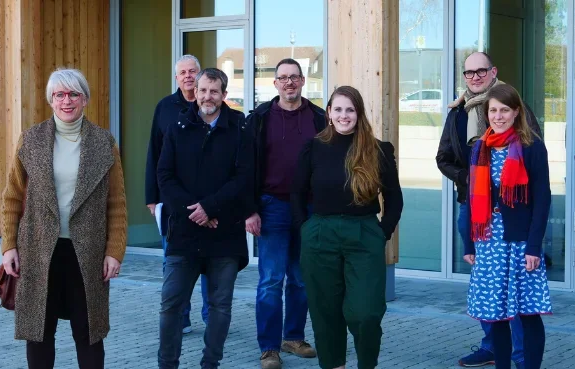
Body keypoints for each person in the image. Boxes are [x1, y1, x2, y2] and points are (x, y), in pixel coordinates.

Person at [0, 68, 128, 368]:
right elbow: (11, 197)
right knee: (39, 332)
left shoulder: (103, 143)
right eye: (59, 95)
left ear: (85, 100)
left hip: (88, 253)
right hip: (38, 250)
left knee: (89, 333)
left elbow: (117, 203)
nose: (66, 101)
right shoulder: (30, 140)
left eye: (74, 94)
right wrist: (8, 246)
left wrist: (115, 251)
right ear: (51, 100)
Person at [438, 51, 538, 368]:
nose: (475, 77)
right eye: (469, 73)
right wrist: (468, 177)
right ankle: (493, 345)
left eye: (481, 71)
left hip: (513, 215)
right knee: (488, 288)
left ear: (493, 71)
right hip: (474, 209)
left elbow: (532, 151)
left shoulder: (512, 105)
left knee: (516, 291)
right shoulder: (457, 113)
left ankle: (521, 357)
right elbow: (443, 158)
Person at [291, 85, 404, 369]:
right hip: (320, 235)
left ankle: (367, 364)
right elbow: (296, 193)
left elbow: (395, 199)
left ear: (359, 113)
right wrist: (305, 228)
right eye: (338, 109)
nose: (344, 116)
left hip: (364, 235)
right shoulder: (313, 148)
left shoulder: (378, 150)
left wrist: (381, 233)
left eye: (350, 110)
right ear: (329, 113)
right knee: (325, 312)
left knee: (365, 312)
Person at [156, 68, 253, 369]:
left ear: (224, 95)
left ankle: (210, 364)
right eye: (203, 90)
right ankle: (167, 364)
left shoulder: (240, 128)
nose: (207, 97)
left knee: (220, 306)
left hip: (225, 233)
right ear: (194, 92)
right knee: (171, 303)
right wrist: (196, 211)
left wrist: (211, 208)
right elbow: (165, 176)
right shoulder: (177, 127)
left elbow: (245, 178)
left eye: (214, 91)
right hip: (184, 233)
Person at [462, 84, 552, 369]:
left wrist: (534, 247)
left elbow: (542, 200)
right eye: (493, 111)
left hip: (520, 243)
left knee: (527, 314)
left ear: (516, 112)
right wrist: (468, 244)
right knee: (495, 314)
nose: (498, 117)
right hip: (488, 242)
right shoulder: (481, 147)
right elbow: (471, 197)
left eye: (504, 110)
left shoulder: (531, 146)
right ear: (486, 114)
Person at [244, 58, 324, 369]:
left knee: (301, 279)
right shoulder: (260, 118)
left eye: (294, 77)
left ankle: (293, 337)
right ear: (275, 83)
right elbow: (246, 167)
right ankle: (269, 348)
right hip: (271, 206)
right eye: (282, 78)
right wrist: (249, 209)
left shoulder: (319, 118)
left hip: (307, 207)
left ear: (303, 81)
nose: (288, 83)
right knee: (271, 280)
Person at [146, 54, 210, 333]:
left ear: (200, 74)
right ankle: (180, 317)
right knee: (174, 262)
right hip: (171, 200)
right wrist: (152, 197)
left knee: (211, 260)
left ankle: (212, 315)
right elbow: (154, 152)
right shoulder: (165, 107)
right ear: (176, 78)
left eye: (192, 71)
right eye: (182, 72)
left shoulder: (210, 106)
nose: (187, 76)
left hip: (207, 200)